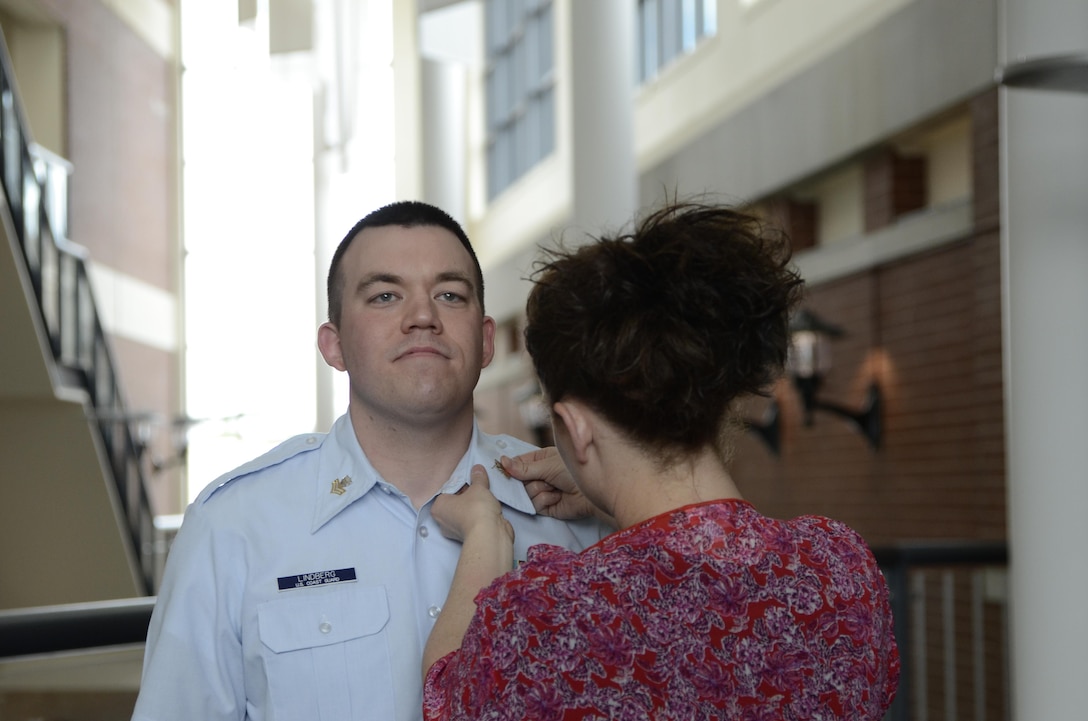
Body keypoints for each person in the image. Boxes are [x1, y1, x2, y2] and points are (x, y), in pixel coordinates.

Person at [422, 201, 901, 720]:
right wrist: (610, 498)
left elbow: (445, 695)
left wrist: (484, 537)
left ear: (575, 428)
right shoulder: (839, 568)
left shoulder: (547, 616)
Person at [131, 201, 604, 721]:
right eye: (384, 296)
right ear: (334, 347)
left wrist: (607, 492)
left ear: (486, 340)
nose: (422, 316)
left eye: (449, 295)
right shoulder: (234, 528)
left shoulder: (584, 511)